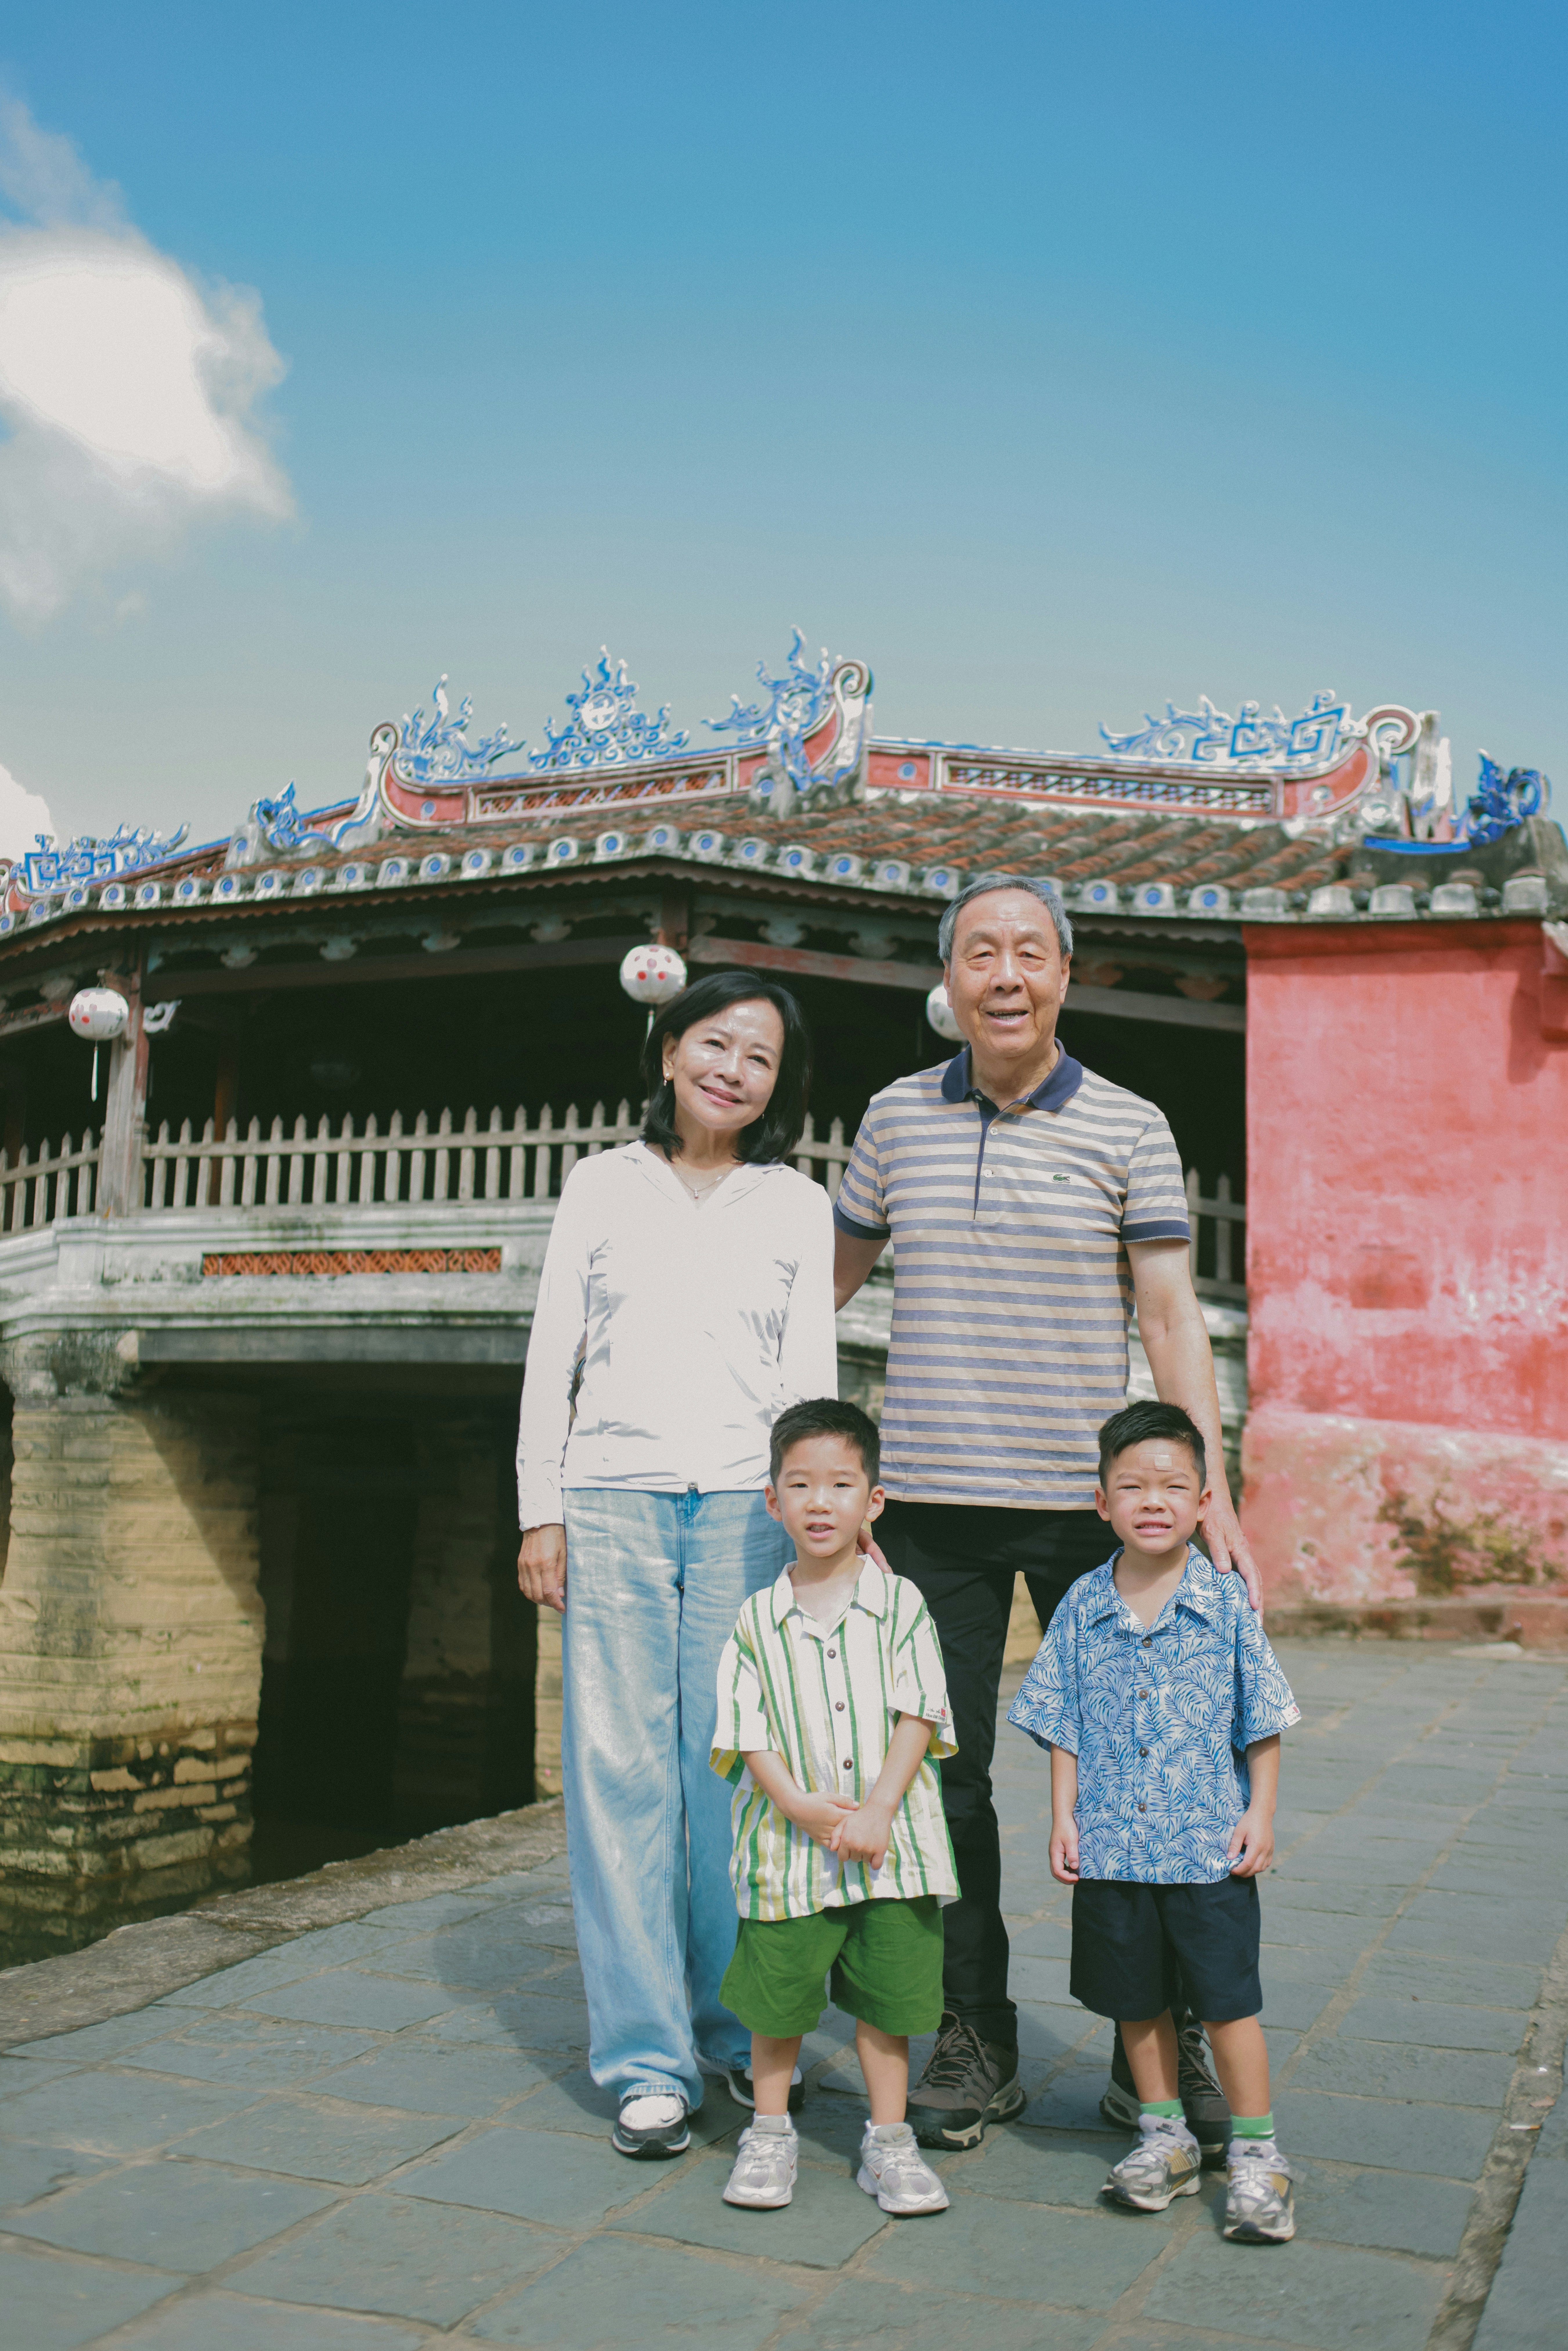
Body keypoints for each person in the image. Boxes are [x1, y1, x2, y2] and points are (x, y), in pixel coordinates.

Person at [832, 872, 1263, 2155]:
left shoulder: (1127, 1124)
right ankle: (974, 2032)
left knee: (1155, 1776)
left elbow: (1169, 1317)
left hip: (1090, 1511)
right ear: (949, 980)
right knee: (941, 1785)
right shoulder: (893, 1118)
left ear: (1064, 976)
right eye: (979, 953)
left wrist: (1208, 1492)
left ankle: (1161, 2037)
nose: (1004, 974)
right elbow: (812, 1284)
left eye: (1029, 952)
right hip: (930, 1510)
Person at [516, 971, 838, 2160]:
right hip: (609, 1500)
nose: (732, 1070)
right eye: (715, 1043)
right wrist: (536, 1505)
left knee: (736, 1779)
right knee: (617, 1776)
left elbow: (811, 1373)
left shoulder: (794, 1202)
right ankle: (645, 2058)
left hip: (746, 1509)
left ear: (776, 1086)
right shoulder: (603, 1182)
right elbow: (555, 1348)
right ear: (666, 1050)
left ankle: (731, 2027)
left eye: (758, 1057)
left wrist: (821, 1513)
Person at [1009, 1401, 1300, 2244]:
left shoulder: (1225, 1606)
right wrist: (1062, 1819)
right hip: (1111, 1846)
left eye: (1174, 1486)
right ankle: (1163, 2136)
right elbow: (1059, 1719)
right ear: (1101, 1503)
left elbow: (1262, 1721)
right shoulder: (1079, 1605)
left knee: (1225, 2003)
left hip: (1206, 1848)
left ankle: (1256, 2156)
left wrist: (1261, 1813)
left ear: (1204, 1501)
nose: (1152, 1501)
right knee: (1134, 2003)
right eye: (1131, 1486)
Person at [712, 1398, 956, 2216]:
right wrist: (798, 1806)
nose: (821, 1503)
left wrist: (878, 1808)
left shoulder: (902, 1605)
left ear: (872, 1502)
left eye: (841, 1485)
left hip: (893, 1847)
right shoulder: (755, 1619)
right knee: (775, 2001)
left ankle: (888, 2142)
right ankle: (770, 2131)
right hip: (786, 1850)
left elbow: (920, 1709)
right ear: (772, 1501)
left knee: (889, 2004)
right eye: (801, 1485)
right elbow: (743, 1730)